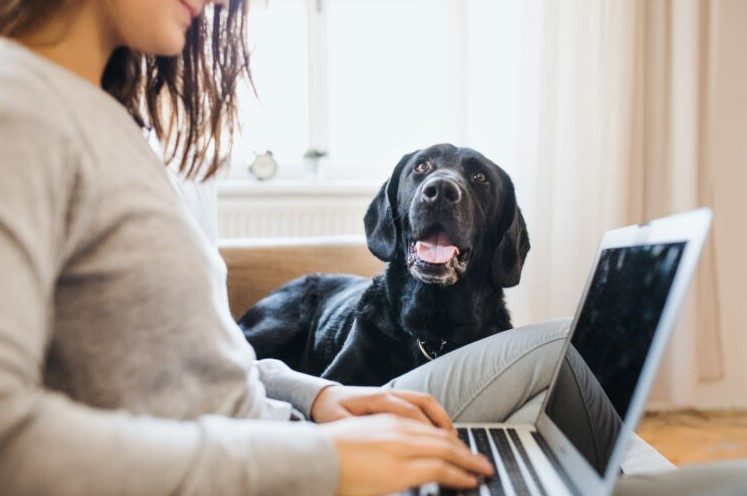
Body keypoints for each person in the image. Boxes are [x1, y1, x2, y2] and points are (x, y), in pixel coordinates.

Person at [0, 1, 745, 495]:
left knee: (609, 443)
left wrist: (319, 395)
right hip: (286, 469)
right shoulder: (21, 105)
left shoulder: (113, 127)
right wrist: (317, 460)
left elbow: (193, 365)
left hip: (298, 441)